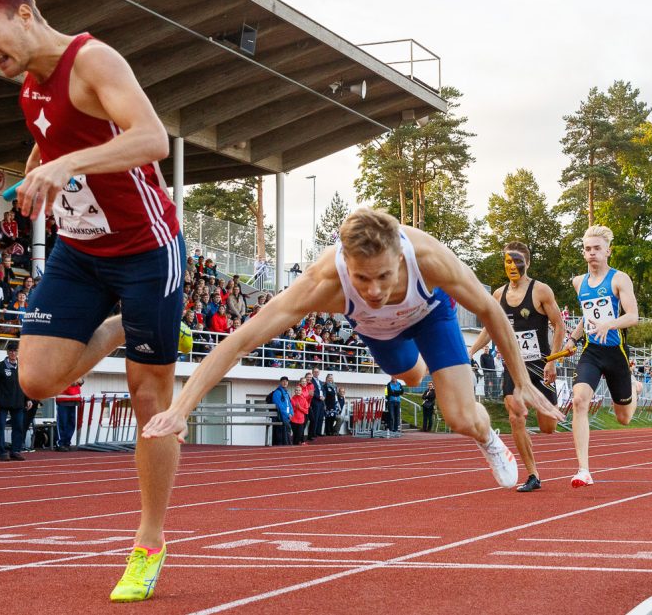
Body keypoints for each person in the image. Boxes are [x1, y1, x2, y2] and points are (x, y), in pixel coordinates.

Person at [0, 0, 183, 603]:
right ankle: (113, 330)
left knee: (150, 401)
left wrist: (63, 165)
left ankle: (150, 540)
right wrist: (30, 171)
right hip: (79, 255)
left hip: (146, 252)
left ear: (24, 14)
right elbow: (51, 142)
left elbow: (151, 139)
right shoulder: (28, 88)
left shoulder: (92, 59)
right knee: (35, 381)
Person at [142, 208, 562, 489]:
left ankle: (487, 437)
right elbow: (239, 342)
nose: (374, 290)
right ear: (345, 262)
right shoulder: (322, 282)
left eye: (382, 276)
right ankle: (421, 366)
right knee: (412, 376)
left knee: (457, 416)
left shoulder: (430, 257)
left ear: (401, 256)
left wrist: (522, 381)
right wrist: (182, 408)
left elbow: (490, 309)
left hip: (430, 316)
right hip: (379, 334)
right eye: (362, 279)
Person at [467, 241, 566, 492]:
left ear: (527, 263)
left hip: (540, 366)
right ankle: (533, 474)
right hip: (514, 365)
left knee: (548, 427)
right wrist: (469, 351)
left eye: (517, 261)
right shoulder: (498, 296)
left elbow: (559, 325)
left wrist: (553, 361)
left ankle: (546, 402)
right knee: (515, 416)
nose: (512, 266)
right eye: (508, 261)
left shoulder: (541, 291)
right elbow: (490, 329)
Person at [560, 225, 639, 488]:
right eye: (587, 249)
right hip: (592, 351)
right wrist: (573, 338)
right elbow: (585, 315)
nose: (591, 253)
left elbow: (633, 316)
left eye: (596, 248)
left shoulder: (619, 279)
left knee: (623, 418)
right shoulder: (579, 282)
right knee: (579, 400)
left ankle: (635, 387)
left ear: (607, 251)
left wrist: (609, 324)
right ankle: (583, 469)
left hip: (615, 353)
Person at [0, 343, 28, 461]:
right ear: (7, 352)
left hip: (18, 403)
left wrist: (28, 399)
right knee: (0, 427)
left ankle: (15, 451)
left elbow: (26, 384)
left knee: (18, 427)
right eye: (11, 351)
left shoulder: (23, 367)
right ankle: (1, 452)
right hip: (2, 404)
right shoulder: (0, 367)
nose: (13, 353)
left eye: (15, 351)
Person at [55, 378, 83, 451]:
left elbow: (81, 380)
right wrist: (71, 381)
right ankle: (61, 443)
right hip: (63, 399)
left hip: (74, 399)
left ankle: (66, 443)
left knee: (71, 423)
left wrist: (80, 380)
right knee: (62, 422)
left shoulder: (76, 368)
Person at [269, 376, 293, 446]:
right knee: (285, 432)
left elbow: (289, 404)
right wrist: (287, 414)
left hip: (287, 416)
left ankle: (287, 444)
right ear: (280, 382)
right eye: (283, 381)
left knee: (287, 431)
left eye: (286, 381)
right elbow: (279, 406)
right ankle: (285, 446)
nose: (285, 383)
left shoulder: (286, 393)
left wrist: (291, 413)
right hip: (281, 417)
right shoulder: (277, 392)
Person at [308, 367, 326, 442]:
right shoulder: (311, 381)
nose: (316, 373)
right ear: (312, 373)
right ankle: (313, 433)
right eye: (315, 372)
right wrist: (319, 397)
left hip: (321, 401)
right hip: (315, 401)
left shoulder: (321, 382)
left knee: (320, 417)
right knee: (315, 417)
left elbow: (323, 390)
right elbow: (312, 391)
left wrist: (324, 396)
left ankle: (318, 432)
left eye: (317, 372)